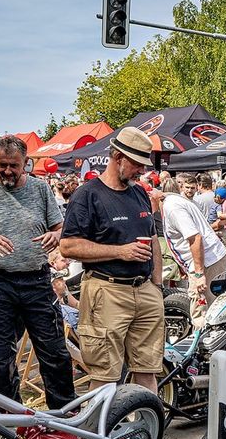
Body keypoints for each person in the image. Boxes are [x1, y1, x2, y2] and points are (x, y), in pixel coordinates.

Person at [0, 136, 74, 409]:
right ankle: (9, 421)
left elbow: (61, 228)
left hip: (36, 280)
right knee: (1, 360)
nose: (7, 171)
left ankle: (64, 419)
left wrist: (55, 236)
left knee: (55, 353)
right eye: (1, 166)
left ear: (26, 164)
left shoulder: (40, 189)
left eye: (13, 165)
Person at [59, 128, 164, 391]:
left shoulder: (139, 192)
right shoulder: (87, 195)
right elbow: (68, 246)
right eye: (137, 164)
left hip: (145, 291)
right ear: (118, 157)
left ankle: (147, 430)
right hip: (107, 291)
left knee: (148, 370)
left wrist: (157, 285)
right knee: (105, 375)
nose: (141, 171)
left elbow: (152, 240)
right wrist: (120, 251)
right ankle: (99, 431)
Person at [161, 178, 226, 327]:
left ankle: (203, 344)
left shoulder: (172, 207)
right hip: (213, 256)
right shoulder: (179, 203)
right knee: (214, 304)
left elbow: (195, 238)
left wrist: (198, 273)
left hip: (207, 260)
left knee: (202, 308)